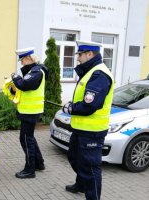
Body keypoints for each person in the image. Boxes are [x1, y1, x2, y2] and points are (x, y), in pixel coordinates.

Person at [62, 41, 114, 200]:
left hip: (92, 131)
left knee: (90, 168)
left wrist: (72, 108)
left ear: (90, 54)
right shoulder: (90, 71)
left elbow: (90, 105)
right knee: (74, 157)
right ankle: (81, 184)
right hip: (81, 128)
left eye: (80, 54)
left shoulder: (99, 74)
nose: (77, 58)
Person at [11, 47, 48, 179]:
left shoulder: (37, 72)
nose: (21, 63)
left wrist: (15, 78)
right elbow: (25, 89)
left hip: (31, 112)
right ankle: (38, 163)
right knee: (29, 138)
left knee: (26, 139)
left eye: (22, 60)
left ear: (28, 58)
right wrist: (13, 89)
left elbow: (25, 85)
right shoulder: (33, 71)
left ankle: (29, 169)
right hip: (28, 111)